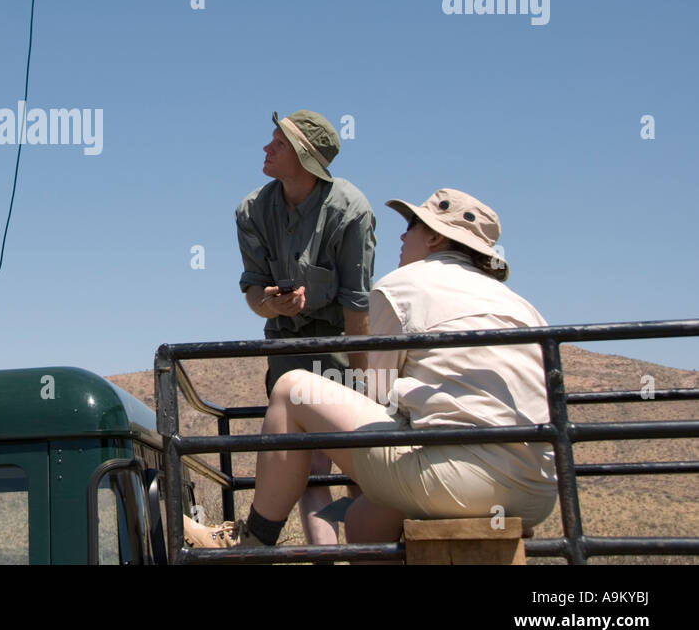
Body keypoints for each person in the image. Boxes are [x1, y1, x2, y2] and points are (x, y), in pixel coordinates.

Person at [186, 188, 557, 552]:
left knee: (291, 390)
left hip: (458, 480)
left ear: (433, 237)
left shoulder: (403, 286)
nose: (401, 234)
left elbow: (379, 398)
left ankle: (251, 541)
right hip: (536, 492)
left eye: (412, 224)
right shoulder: (522, 307)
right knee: (364, 520)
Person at [234, 110, 376, 547]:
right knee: (310, 466)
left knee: (361, 463)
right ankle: (324, 556)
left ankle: (369, 554)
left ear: (303, 156)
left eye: (277, 143)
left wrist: (365, 383)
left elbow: (357, 308)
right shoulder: (253, 210)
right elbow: (254, 294)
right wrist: (270, 304)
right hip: (286, 348)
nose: (266, 148)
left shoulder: (351, 211)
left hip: (340, 345)